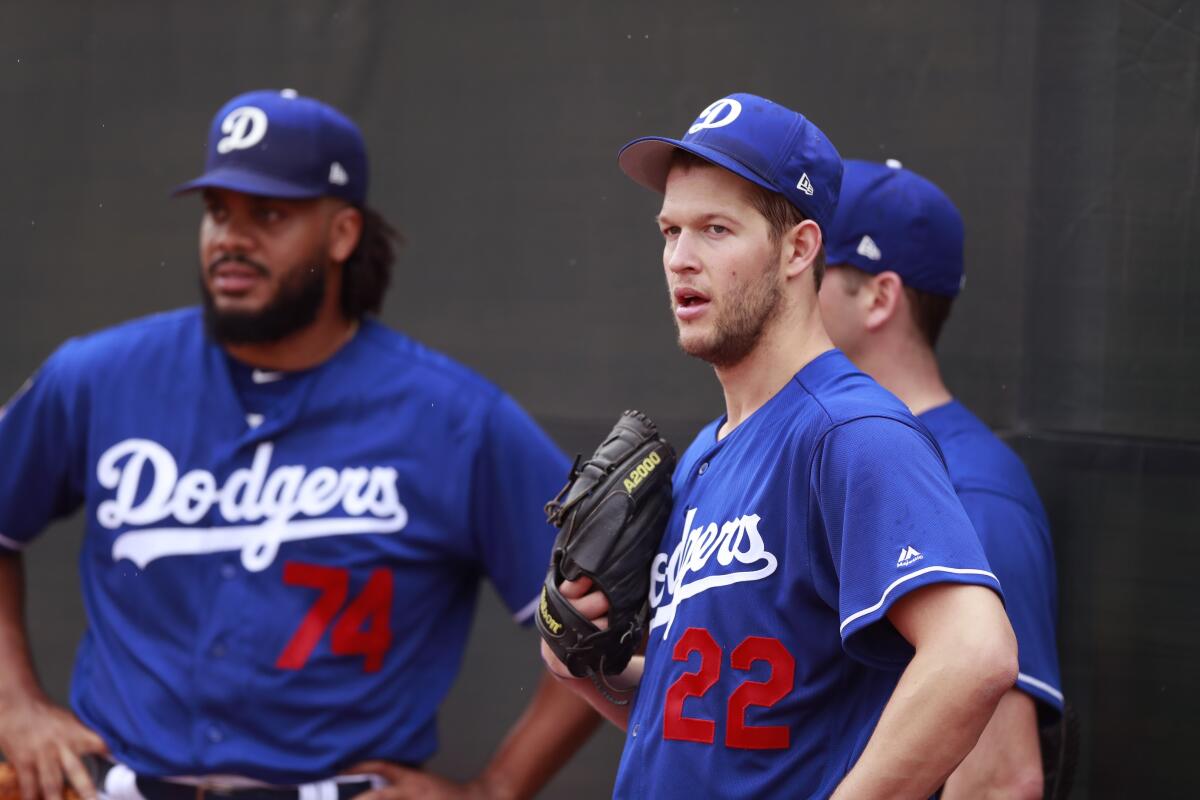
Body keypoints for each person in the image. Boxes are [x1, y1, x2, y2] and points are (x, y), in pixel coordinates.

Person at [0, 88, 598, 800]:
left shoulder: (454, 418)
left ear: (342, 234)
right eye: (218, 211)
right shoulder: (98, 377)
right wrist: (13, 706)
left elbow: (601, 618)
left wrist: (495, 788)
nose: (231, 237)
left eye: (269, 214)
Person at [540, 93, 1019, 799]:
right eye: (670, 230)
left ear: (799, 248)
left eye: (715, 230)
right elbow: (708, 719)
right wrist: (588, 668)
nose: (680, 259)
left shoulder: (852, 433)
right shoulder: (710, 449)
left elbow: (975, 653)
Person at [818, 159, 1064, 798]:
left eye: (813, 265)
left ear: (879, 297)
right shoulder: (824, 450)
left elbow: (1000, 782)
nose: (784, 280)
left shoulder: (975, 492)